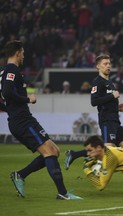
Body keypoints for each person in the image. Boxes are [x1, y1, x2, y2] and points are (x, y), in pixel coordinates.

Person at [0, 40, 82, 200]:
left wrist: (10, 109)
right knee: (50, 152)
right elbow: (8, 92)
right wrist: (27, 99)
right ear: (17, 53)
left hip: (20, 119)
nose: (24, 56)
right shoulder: (12, 70)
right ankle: (63, 193)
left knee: (54, 151)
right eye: (22, 53)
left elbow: (4, 96)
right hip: (22, 120)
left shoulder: (4, 72)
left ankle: (20, 175)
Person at [64, 54, 123, 185]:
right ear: (98, 66)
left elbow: (107, 102)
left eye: (109, 63)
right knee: (106, 151)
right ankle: (75, 155)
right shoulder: (97, 82)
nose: (108, 65)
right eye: (105, 63)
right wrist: (112, 96)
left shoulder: (109, 82)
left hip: (115, 120)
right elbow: (94, 102)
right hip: (107, 121)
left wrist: (117, 107)